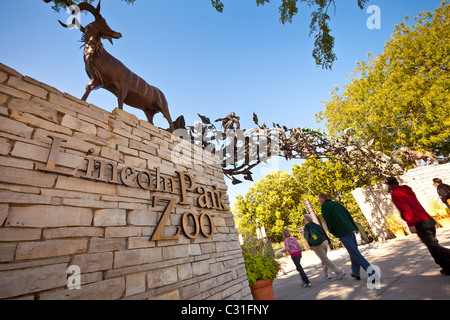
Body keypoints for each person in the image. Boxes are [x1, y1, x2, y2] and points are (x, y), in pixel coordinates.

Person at [385, 177, 450, 275]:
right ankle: (447, 268)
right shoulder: (407, 189)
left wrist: (411, 224)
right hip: (427, 220)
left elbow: (406, 209)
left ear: (389, 185)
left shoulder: (396, 194)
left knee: (434, 247)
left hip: (420, 223)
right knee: (432, 246)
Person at [319, 193, 374, 280]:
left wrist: (331, 230)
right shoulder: (337, 203)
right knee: (353, 252)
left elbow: (328, 220)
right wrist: (355, 227)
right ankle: (356, 272)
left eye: (319, 200)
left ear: (321, 199)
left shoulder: (324, 206)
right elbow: (348, 215)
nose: (319, 202)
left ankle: (372, 273)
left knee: (355, 253)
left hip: (342, 232)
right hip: (350, 229)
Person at [303, 214, 346, 280]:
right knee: (324, 258)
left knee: (325, 259)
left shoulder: (307, 226)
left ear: (306, 220)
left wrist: (310, 245)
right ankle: (326, 274)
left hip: (317, 244)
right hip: (324, 242)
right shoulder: (317, 225)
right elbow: (324, 233)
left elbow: (307, 236)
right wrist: (329, 242)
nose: (304, 221)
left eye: (304, 220)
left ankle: (339, 272)